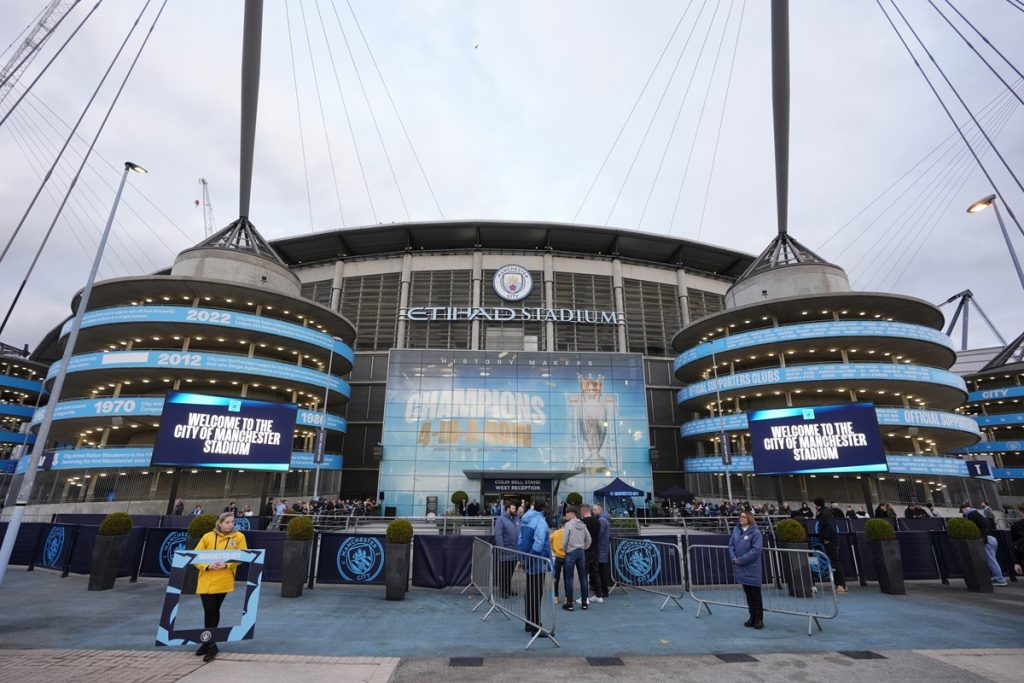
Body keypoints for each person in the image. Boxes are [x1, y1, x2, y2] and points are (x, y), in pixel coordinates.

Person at [194, 512, 248, 662]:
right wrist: (207, 565)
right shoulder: (207, 537)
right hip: (206, 579)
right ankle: (210, 643)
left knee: (213, 610)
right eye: (227, 522)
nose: (230, 525)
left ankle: (208, 642)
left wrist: (227, 564)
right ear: (220, 522)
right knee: (209, 610)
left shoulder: (239, 537)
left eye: (232, 522)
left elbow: (242, 556)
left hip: (224, 579)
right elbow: (195, 555)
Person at [518, 501, 551, 635]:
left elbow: (520, 540)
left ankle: (529, 623)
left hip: (529, 559)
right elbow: (538, 544)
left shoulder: (526, 520)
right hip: (537, 561)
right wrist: (530, 558)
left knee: (530, 593)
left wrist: (523, 559)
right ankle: (536, 626)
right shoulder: (541, 522)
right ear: (543, 509)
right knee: (536, 593)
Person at [728, 510, 763, 629]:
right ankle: (751, 616)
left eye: (744, 517)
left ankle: (759, 619)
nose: (741, 518)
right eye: (740, 516)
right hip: (740, 567)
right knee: (748, 594)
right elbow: (731, 545)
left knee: (756, 595)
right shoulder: (736, 530)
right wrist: (733, 557)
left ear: (749, 519)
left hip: (751, 567)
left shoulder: (756, 533)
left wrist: (741, 560)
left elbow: (756, 550)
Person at [961, 502, 1007, 586]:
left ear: (965, 509)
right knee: (992, 560)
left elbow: (969, 527)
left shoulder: (972, 515)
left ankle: (1000, 579)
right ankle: (997, 577)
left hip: (986, 539)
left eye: (962, 511)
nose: (963, 513)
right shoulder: (977, 513)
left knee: (991, 560)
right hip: (991, 538)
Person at [813, 497, 848, 593]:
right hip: (830, 540)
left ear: (817, 504)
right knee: (833, 562)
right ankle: (838, 584)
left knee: (836, 562)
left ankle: (842, 585)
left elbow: (830, 527)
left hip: (831, 540)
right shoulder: (825, 512)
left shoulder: (825, 513)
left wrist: (826, 538)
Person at [561, 506, 591, 611]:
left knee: (569, 578)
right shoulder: (583, 525)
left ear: (572, 513)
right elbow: (589, 539)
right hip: (581, 552)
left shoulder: (568, 525)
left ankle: (569, 603)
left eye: (567, 513)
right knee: (583, 578)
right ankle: (584, 602)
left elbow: (564, 541)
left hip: (571, 552)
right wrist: (583, 547)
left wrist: (565, 550)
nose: (566, 515)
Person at [493, 503, 519, 598]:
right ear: (507, 508)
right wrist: (502, 548)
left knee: (510, 572)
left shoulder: (516, 518)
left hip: (514, 552)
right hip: (505, 552)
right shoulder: (501, 519)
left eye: (515, 508)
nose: (515, 509)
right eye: (513, 508)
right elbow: (498, 535)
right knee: (504, 573)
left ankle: (508, 589)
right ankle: (502, 591)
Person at [579, 504, 603, 603]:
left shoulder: (582, 522)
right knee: (595, 573)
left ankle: (584, 598)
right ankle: (598, 595)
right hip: (595, 550)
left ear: (582, 511)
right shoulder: (597, 521)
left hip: (586, 551)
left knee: (583, 574)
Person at [592, 503, 612, 599]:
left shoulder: (602, 520)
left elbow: (598, 534)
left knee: (601, 572)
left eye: (595, 509)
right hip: (602, 549)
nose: (593, 511)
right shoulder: (603, 519)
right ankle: (603, 590)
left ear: (600, 510)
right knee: (601, 571)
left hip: (601, 549)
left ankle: (603, 591)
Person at [550, 517, 567, 604]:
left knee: (556, 577)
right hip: (566, 557)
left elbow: (549, 540)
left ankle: (555, 597)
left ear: (560, 524)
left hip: (557, 557)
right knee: (567, 578)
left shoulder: (555, 533)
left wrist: (553, 548)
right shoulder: (568, 533)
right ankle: (567, 597)